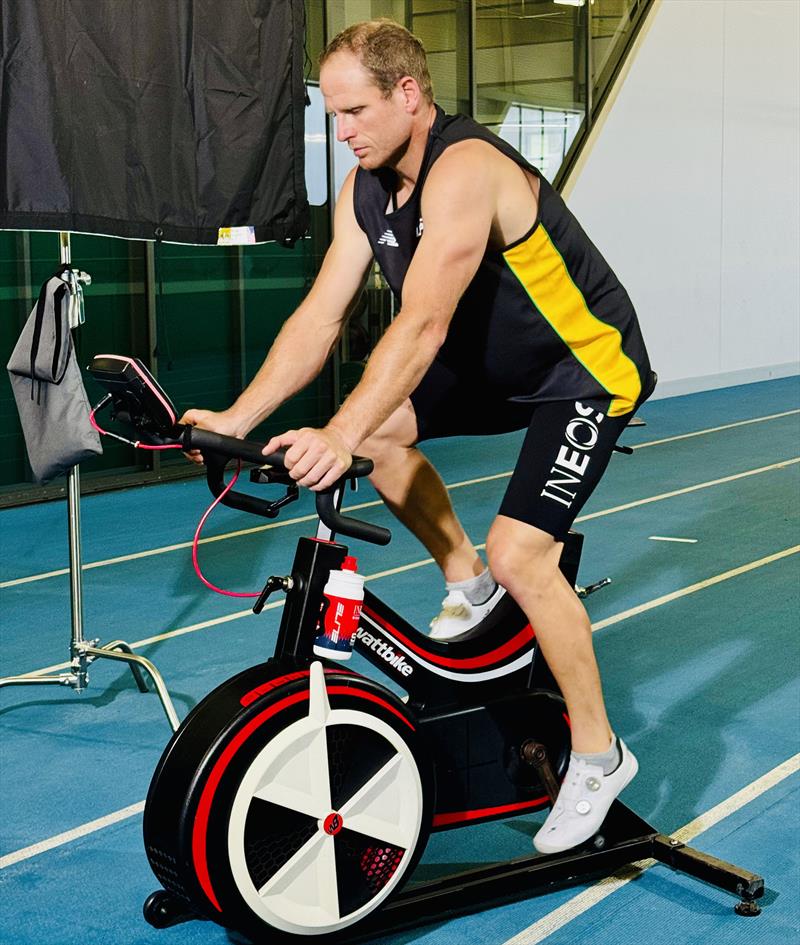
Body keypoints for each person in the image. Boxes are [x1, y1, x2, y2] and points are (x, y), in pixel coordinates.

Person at [181, 19, 656, 854]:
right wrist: (237, 418)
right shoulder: (367, 190)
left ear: (408, 94)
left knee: (525, 554)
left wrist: (336, 428)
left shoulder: (467, 169)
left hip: (583, 370)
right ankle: (465, 581)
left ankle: (597, 752)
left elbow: (424, 322)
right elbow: (321, 315)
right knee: (384, 441)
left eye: (356, 110)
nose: (344, 131)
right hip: (492, 366)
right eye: (333, 114)